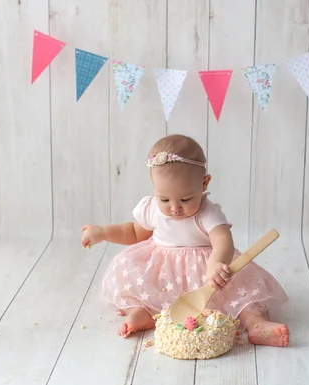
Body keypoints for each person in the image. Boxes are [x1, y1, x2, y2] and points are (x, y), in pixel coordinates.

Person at [81, 134, 289, 347]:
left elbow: (223, 240)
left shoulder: (208, 212)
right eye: (164, 199)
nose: (174, 207)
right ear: (154, 186)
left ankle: (255, 324)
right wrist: (103, 232)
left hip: (205, 273)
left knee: (242, 295)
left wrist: (217, 262)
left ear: (204, 183)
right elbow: (134, 232)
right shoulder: (151, 208)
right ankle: (142, 312)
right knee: (136, 278)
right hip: (162, 272)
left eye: (185, 199)